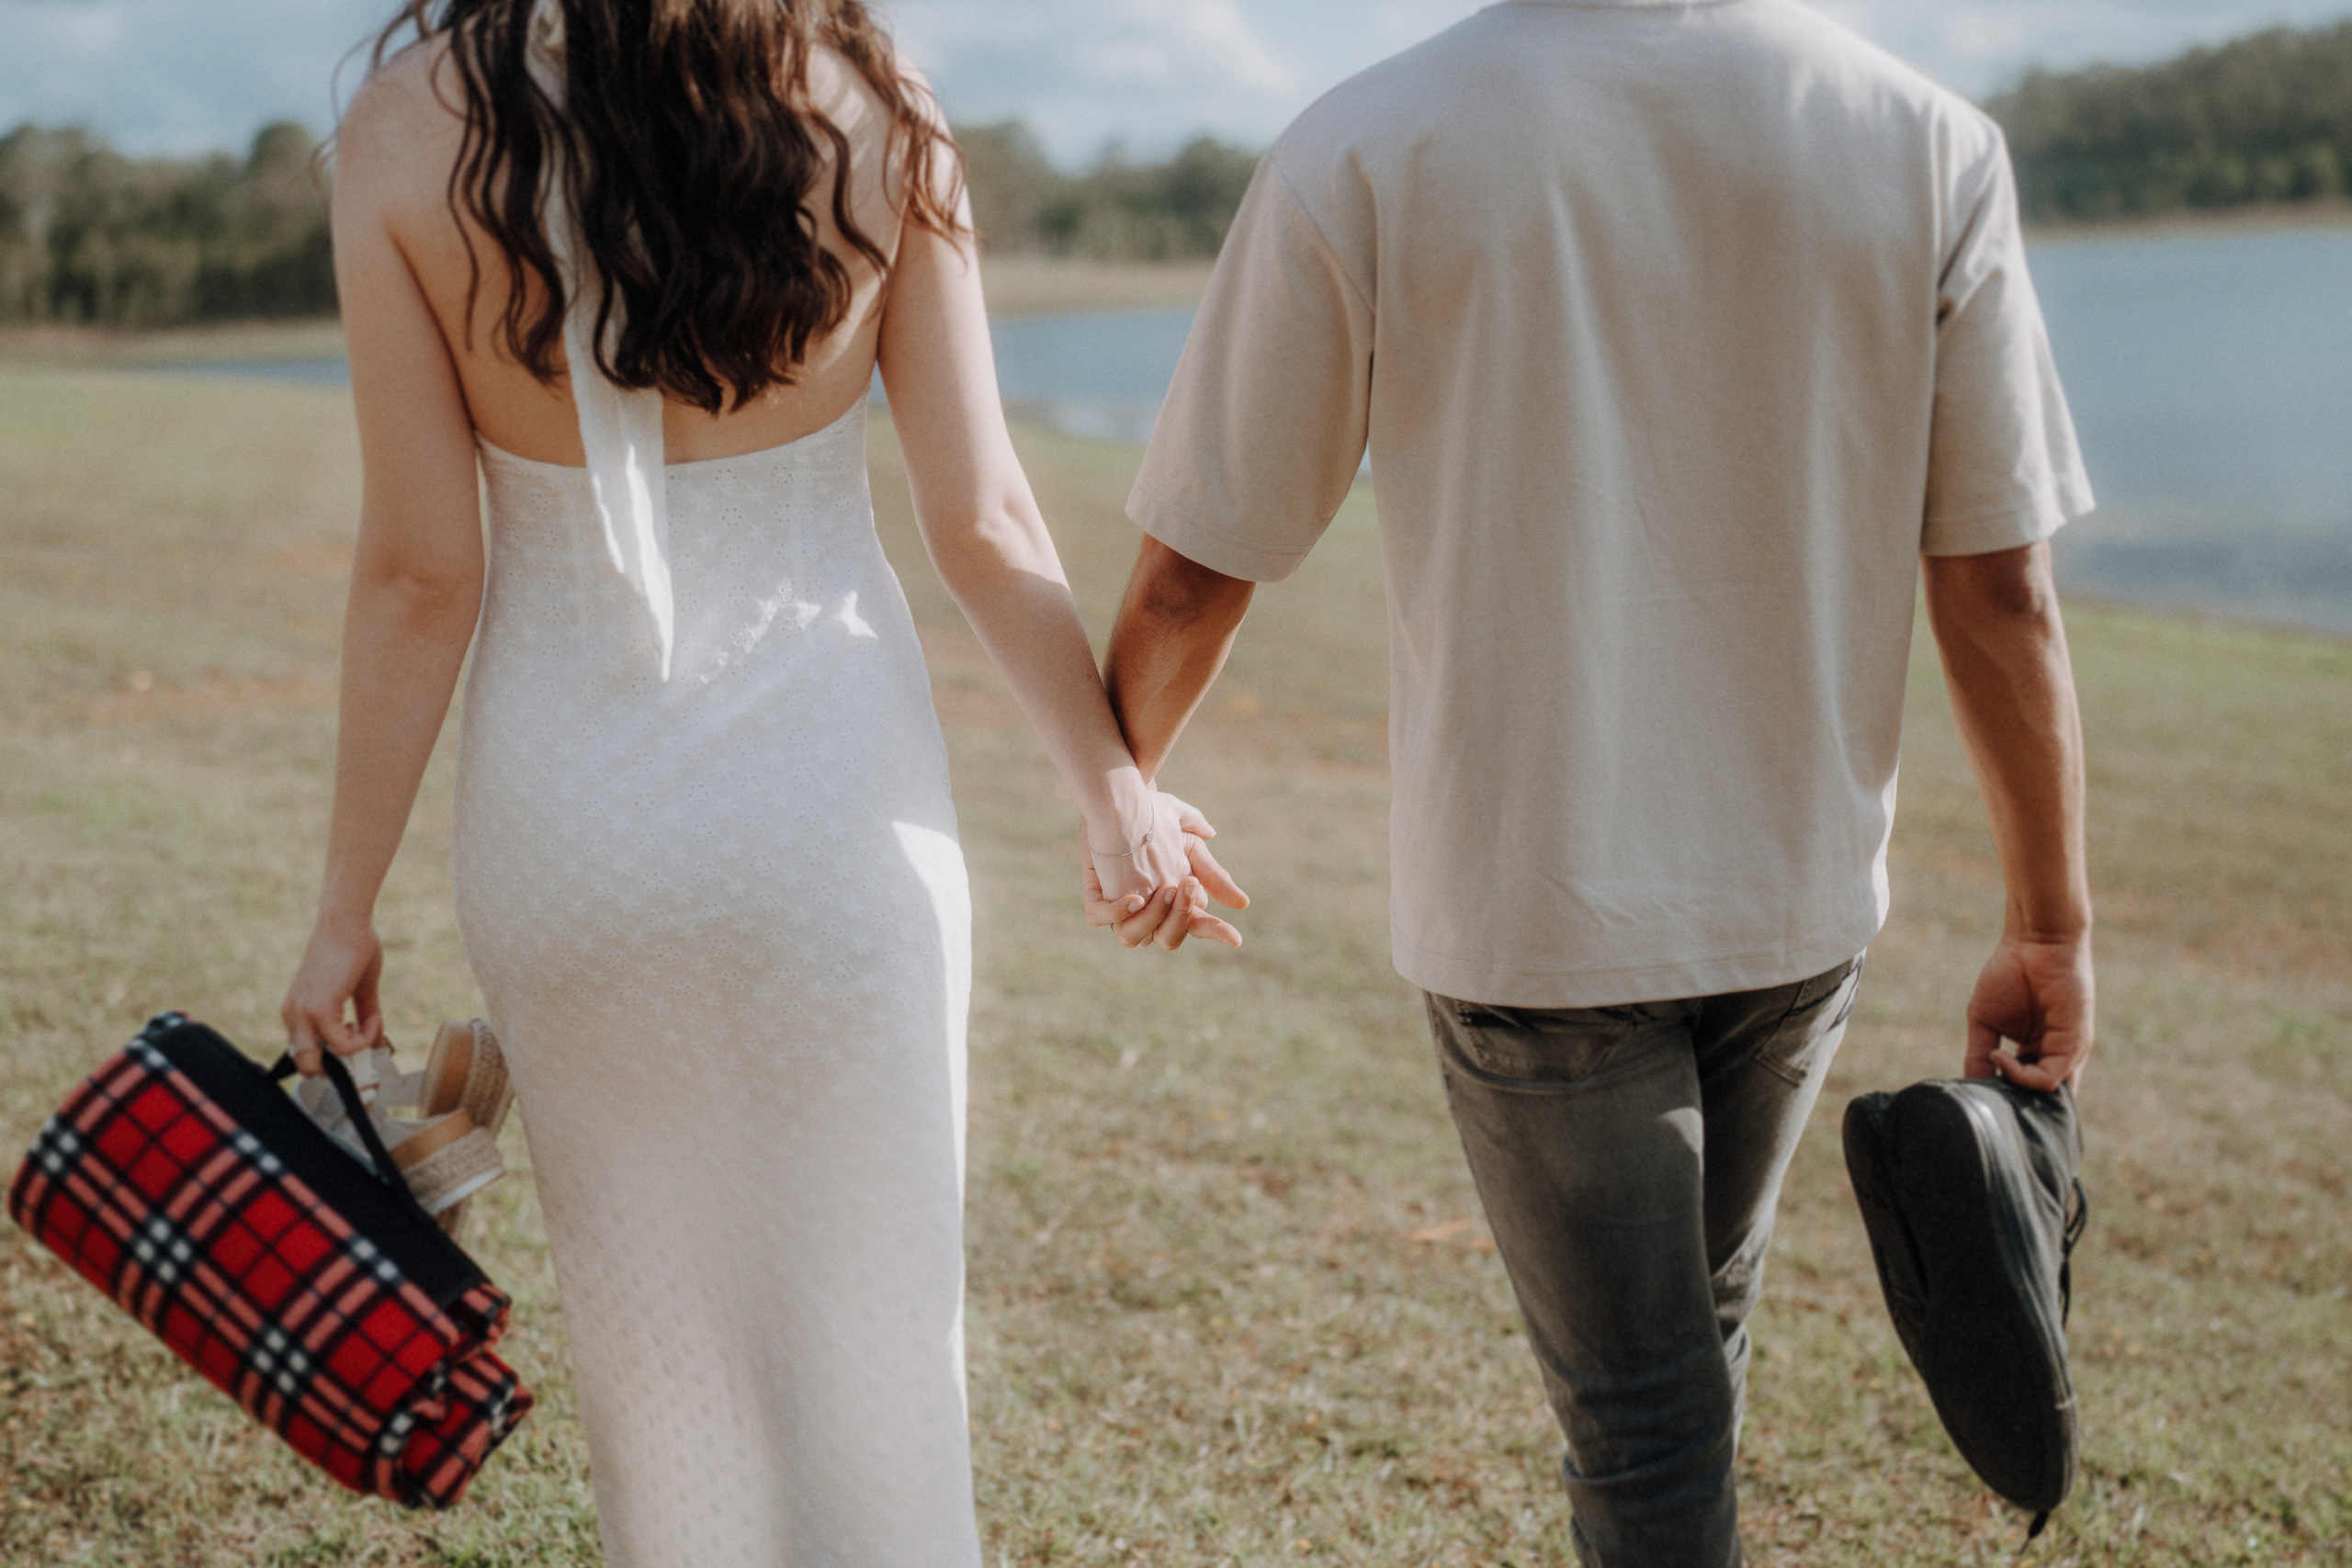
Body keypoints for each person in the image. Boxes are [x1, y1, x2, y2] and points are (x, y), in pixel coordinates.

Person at [1095, 2, 2096, 1562]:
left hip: (1532, 908)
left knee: (1645, 1418)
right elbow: (2000, 588)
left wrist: (1116, 780)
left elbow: (1191, 574)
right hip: (1793, 891)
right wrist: (2052, 926)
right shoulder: (1927, 140)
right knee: (1696, 1355)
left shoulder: (1370, 139)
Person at [277, 0, 1237, 1561]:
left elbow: (417, 573)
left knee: (666, 1378)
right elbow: (984, 519)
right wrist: (1115, 786)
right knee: (881, 1345)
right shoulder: (870, 98)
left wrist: (343, 909)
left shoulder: (399, 128)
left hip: (569, 834)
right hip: (833, 820)